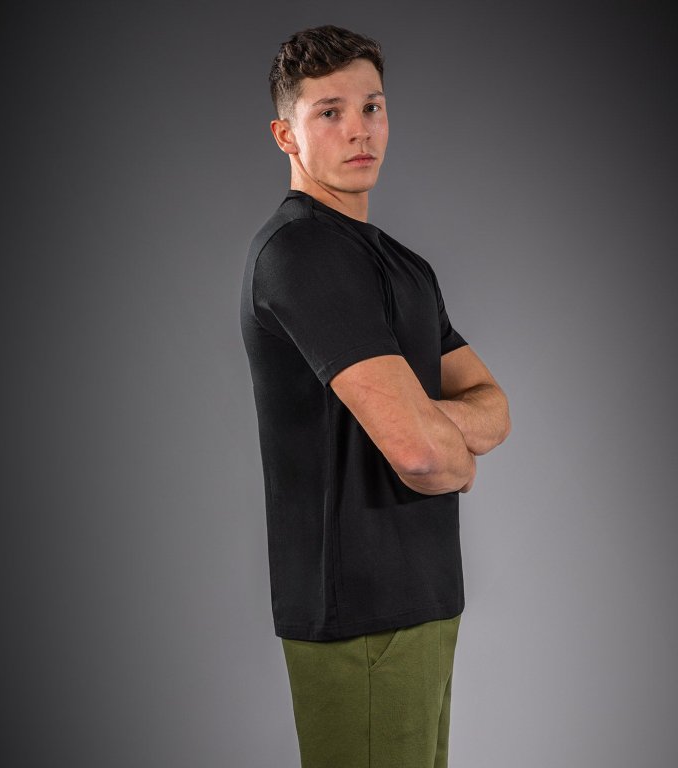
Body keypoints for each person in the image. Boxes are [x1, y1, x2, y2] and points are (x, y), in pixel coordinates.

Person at [239, 25, 511, 768]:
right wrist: (452, 450)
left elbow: (493, 405)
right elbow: (424, 455)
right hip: (356, 615)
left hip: (427, 599)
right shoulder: (299, 253)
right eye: (329, 112)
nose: (359, 129)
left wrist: (431, 427)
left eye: (372, 107)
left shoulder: (404, 266)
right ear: (285, 135)